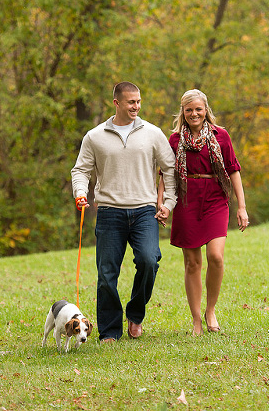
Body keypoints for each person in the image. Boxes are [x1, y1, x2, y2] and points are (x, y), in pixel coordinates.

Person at [71, 82, 178, 343]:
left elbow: (171, 169)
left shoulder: (152, 133)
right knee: (107, 274)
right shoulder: (94, 136)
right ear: (117, 103)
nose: (136, 106)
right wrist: (80, 192)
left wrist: (168, 203)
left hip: (144, 211)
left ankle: (135, 314)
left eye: (139, 101)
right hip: (109, 213)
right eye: (131, 102)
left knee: (149, 261)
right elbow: (81, 170)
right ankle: (109, 331)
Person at [157, 89, 248, 335]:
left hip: (215, 199)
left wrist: (241, 206)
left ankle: (211, 310)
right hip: (187, 199)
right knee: (192, 263)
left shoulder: (221, 136)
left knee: (216, 257)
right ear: (183, 113)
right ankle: (197, 319)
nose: (194, 114)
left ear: (206, 110)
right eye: (189, 110)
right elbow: (165, 174)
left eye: (198, 109)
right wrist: (162, 203)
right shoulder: (175, 140)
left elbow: (233, 170)